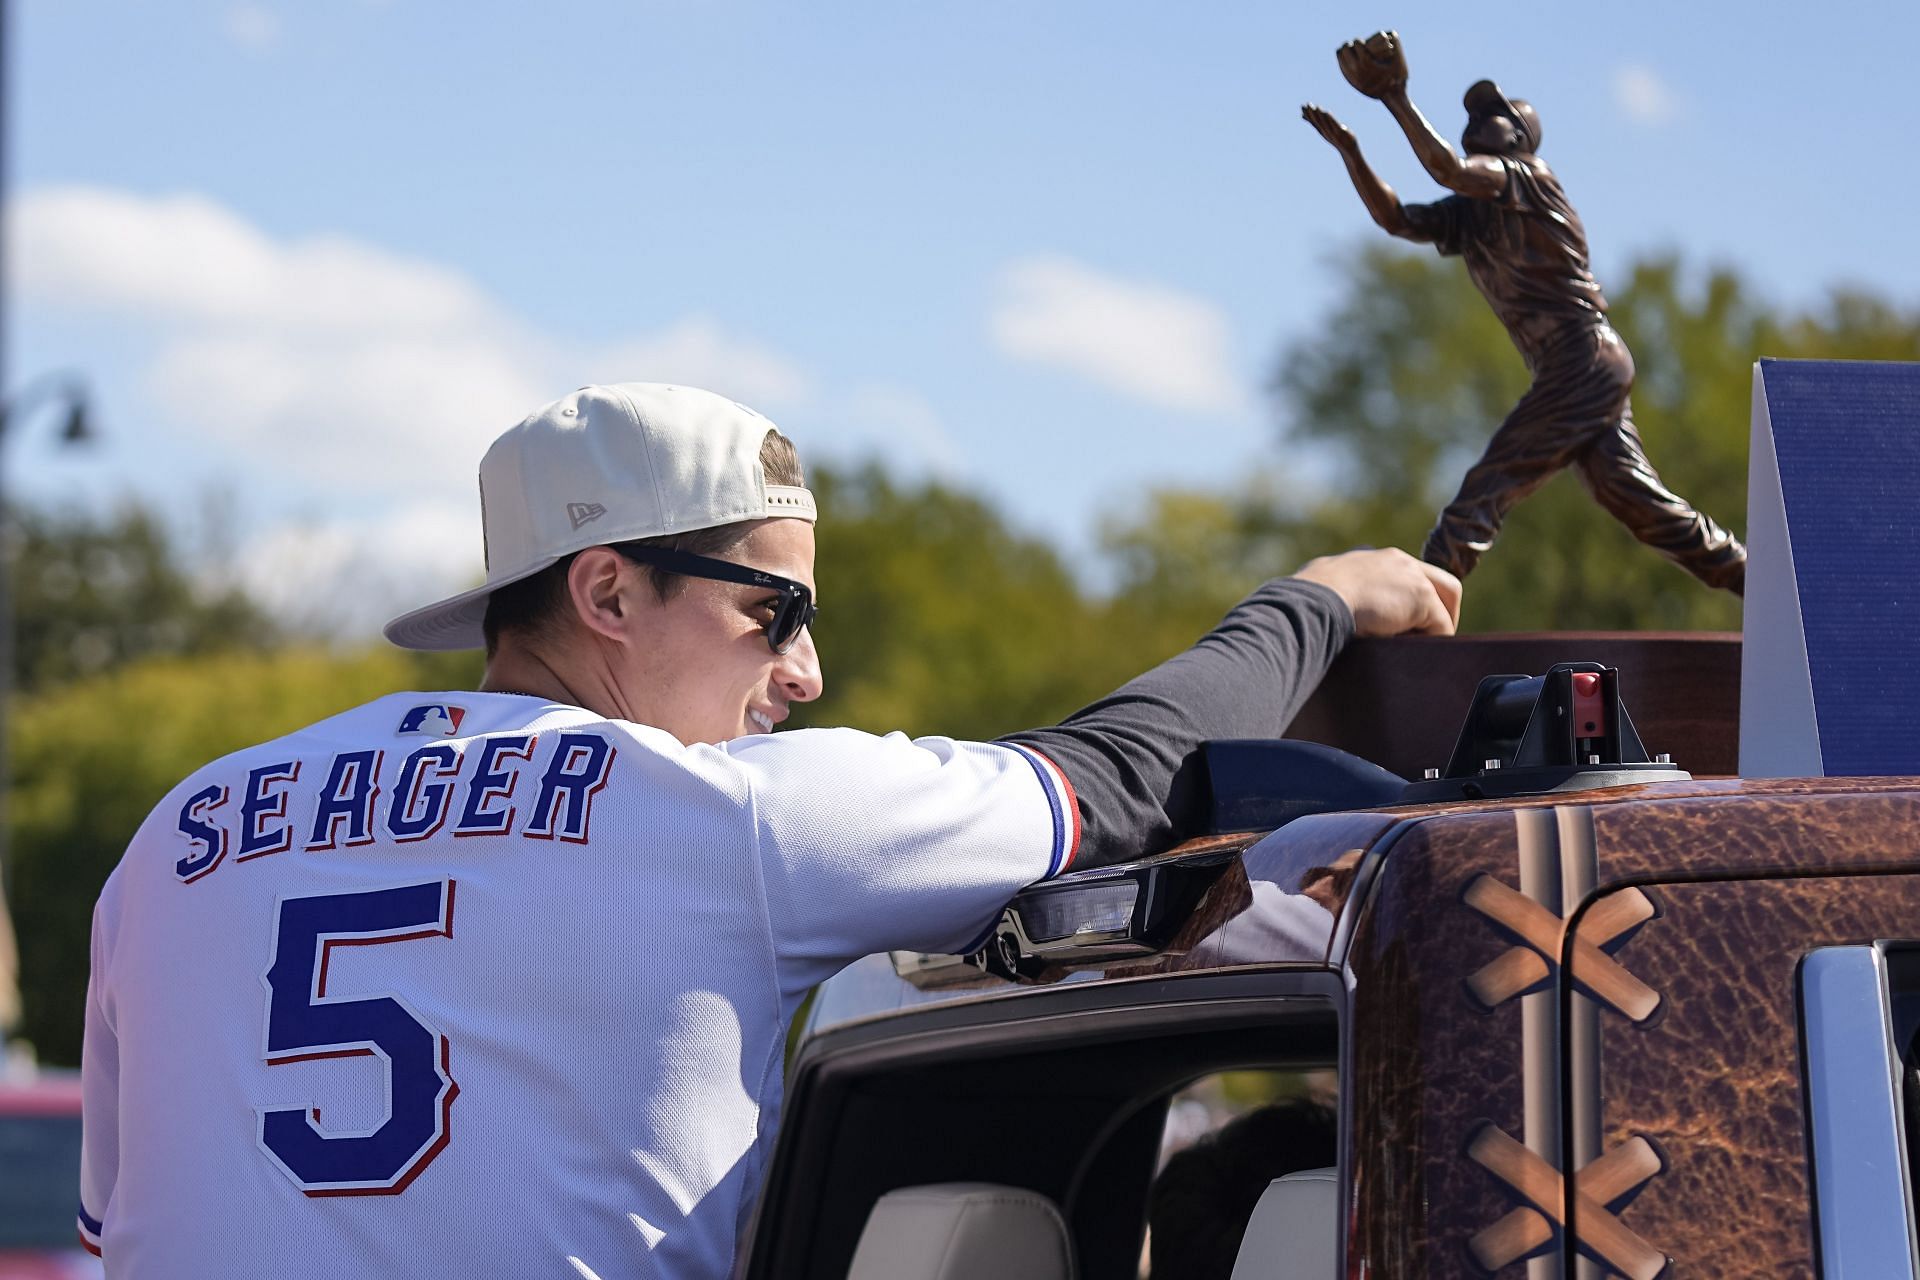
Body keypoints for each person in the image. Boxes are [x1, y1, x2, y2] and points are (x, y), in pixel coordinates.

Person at [78, 383, 1458, 1277]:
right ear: (607, 592)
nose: (804, 673)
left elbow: (115, 1230)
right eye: (772, 611)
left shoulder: (176, 835)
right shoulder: (720, 817)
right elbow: (1111, 780)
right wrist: (1314, 601)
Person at [1302, 31, 1747, 594]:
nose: (1477, 121)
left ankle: (1425, 602)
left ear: (1520, 138)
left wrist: (1396, 98)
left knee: (1489, 484)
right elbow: (1397, 219)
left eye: (1493, 114)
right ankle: (1766, 586)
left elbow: (1447, 168)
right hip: (1578, 367)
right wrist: (1352, 152)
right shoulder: (1473, 213)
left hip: (1582, 356)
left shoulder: (1529, 179)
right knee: (1643, 508)